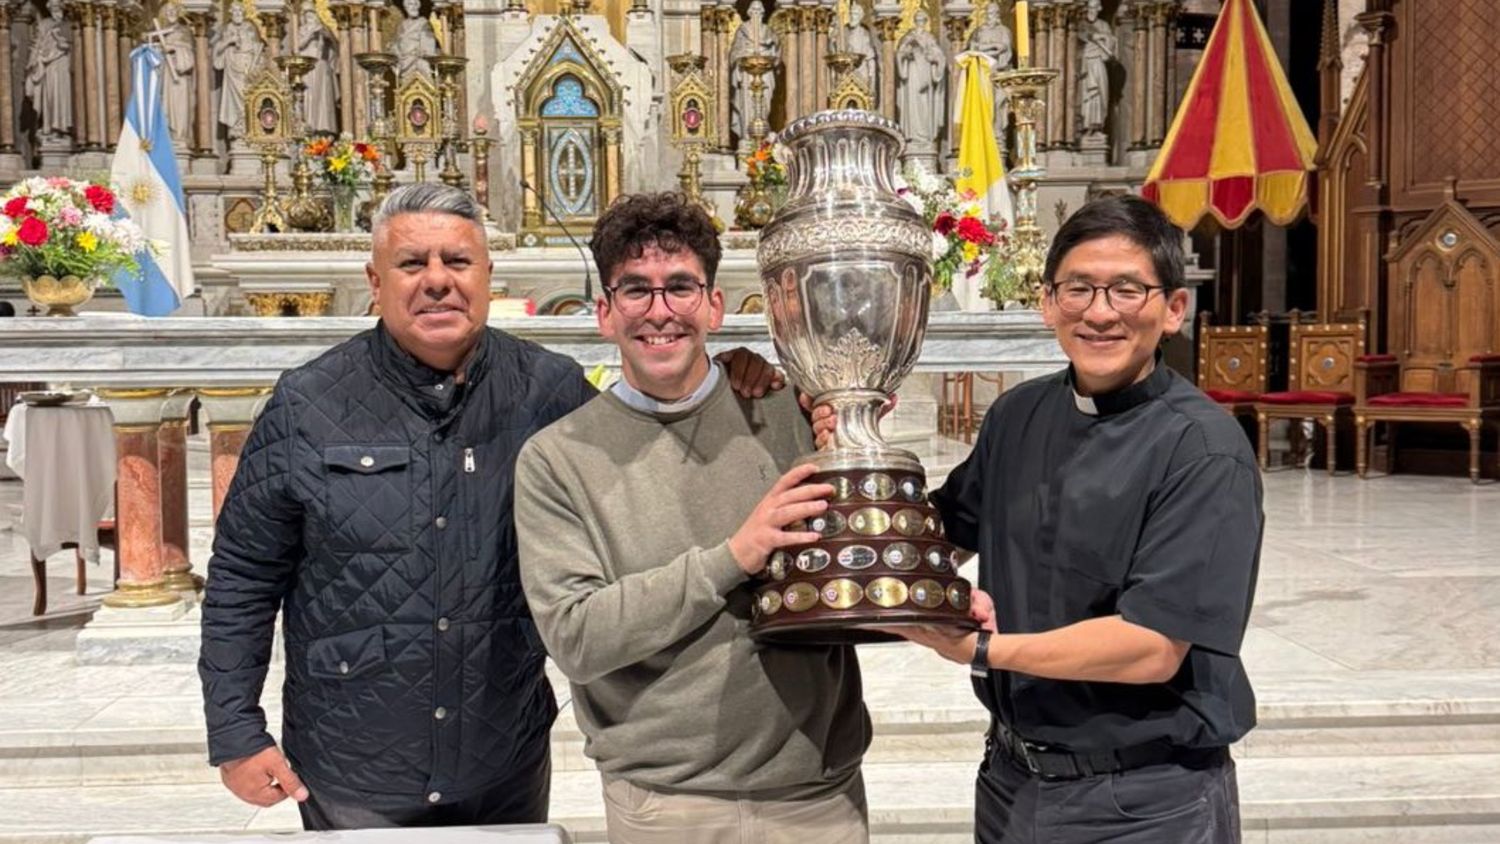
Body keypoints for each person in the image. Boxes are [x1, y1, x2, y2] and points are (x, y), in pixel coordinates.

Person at [199, 183, 780, 830]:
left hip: (502, 758)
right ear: (375, 279)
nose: (438, 281)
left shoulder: (549, 389)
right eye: (413, 264)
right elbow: (242, 577)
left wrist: (737, 379)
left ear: (487, 274)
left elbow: (653, 426)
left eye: (458, 262)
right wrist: (234, 728)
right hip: (353, 765)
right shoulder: (307, 404)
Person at [817, 195, 1262, 842]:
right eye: (1078, 288)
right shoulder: (1018, 415)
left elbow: (1152, 647)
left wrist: (982, 650)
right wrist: (857, 455)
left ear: (1173, 309)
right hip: (1011, 780)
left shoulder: (1202, 449)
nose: (1099, 312)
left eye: (1126, 289)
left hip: (1142, 799)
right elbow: (942, 531)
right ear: (1048, 303)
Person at [515, 192, 872, 844]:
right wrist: (732, 556)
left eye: (681, 287)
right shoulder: (556, 459)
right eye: (635, 291)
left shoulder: (788, 412)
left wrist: (855, 435)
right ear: (603, 312)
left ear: (714, 305)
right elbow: (576, 638)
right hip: (666, 802)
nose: (660, 311)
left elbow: (856, 574)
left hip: (816, 792)